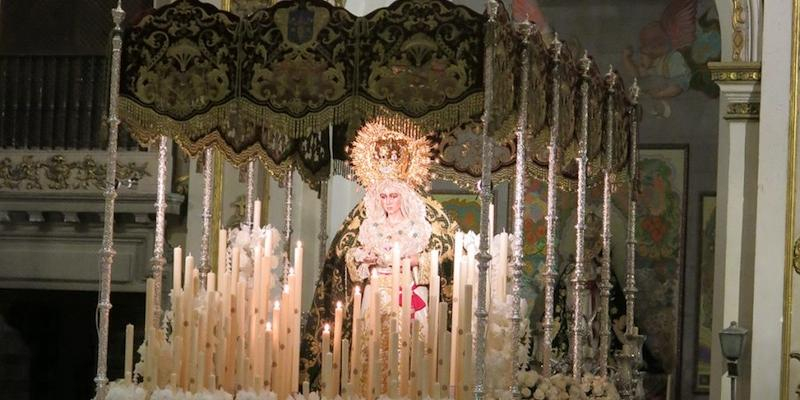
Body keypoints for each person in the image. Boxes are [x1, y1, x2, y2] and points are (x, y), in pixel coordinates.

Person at [299, 120, 456, 391]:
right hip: (374, 295)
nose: (388, 202)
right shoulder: (369, 224)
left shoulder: (418, 225)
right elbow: (348, 259)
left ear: (403, 196)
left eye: (393, 196)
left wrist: (414, 262)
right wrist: (361, 257)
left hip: (408, 292)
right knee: (371, 348)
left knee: (408, 349)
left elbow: (438, 259)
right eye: (383, 196)